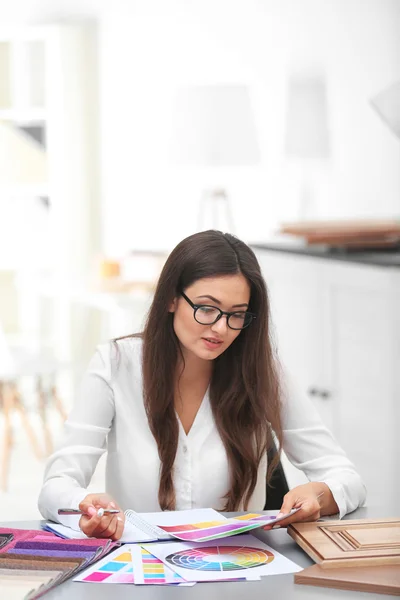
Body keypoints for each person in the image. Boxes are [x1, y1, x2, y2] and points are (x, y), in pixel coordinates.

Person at [38, 230, 366, 540]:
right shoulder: (115, 364)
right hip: (143, 574)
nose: (221, 328)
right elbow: (57, 484)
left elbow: (346, 478)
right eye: (207, 309)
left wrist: (320, 496)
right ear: (170, 299)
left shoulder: (263, 371)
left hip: (239, 569)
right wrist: (84, 506)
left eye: (237, 314)